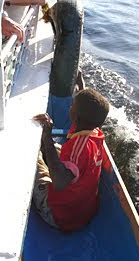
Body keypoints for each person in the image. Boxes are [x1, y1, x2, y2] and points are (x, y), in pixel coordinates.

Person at [32, 87, 110, 232]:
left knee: (33, 158)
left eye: (72, 105)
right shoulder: (96, 133)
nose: (70, 106)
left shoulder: (78, 148)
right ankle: (45, 147)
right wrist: (80, 85)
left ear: (75, 116)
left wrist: (47, 137)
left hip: (59, 216)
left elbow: (60, 183)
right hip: (84, 213)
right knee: (53, 149)